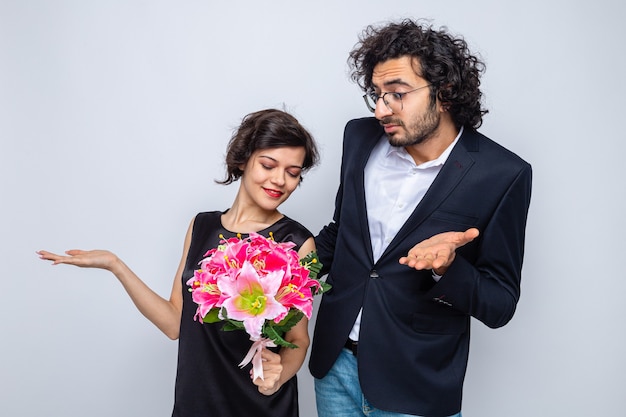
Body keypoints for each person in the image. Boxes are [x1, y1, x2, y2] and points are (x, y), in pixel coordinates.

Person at [309, 19, 532, 417]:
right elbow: (342, 234)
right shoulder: (358, 139)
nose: (381, 110)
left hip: (416, 384)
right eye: (375, 95)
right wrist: (277, 281)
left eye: (396, 94)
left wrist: (448, 269)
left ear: (444, 93)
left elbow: (500, 303)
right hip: (335, 367)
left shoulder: (503, 174)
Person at [38, 109, 320, 417]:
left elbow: (298, 340)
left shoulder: (295, 242)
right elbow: (176, 323)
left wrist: (280, 374)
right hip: (197, 401)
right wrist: (115, 264)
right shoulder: (202, 226)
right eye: (268, 165)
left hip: (259, 403)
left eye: (293, 173)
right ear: (243, 160)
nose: (280, 180)